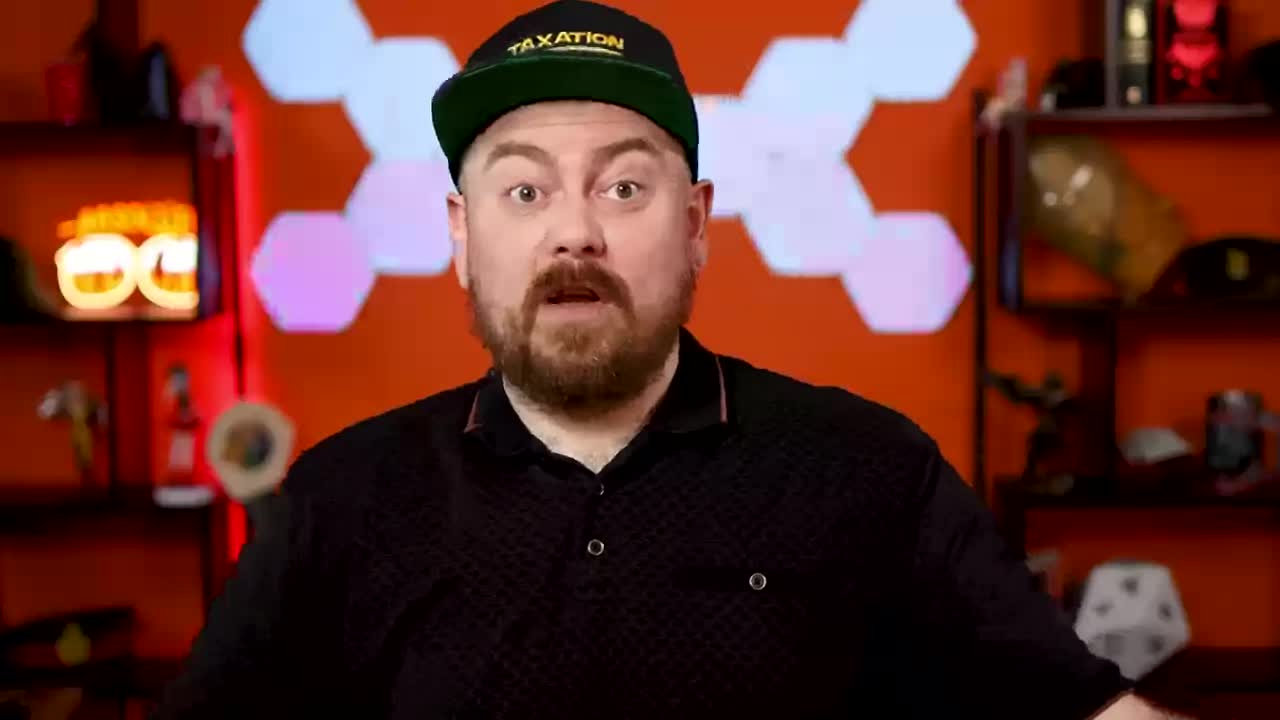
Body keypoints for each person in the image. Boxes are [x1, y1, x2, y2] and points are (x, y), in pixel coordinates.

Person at [155, 2, 1176, 718]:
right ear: (461, 236)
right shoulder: (338, 502)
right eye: (524, 192)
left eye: (623, 189)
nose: (574, 233)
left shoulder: (867, 471)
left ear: (694, 225)